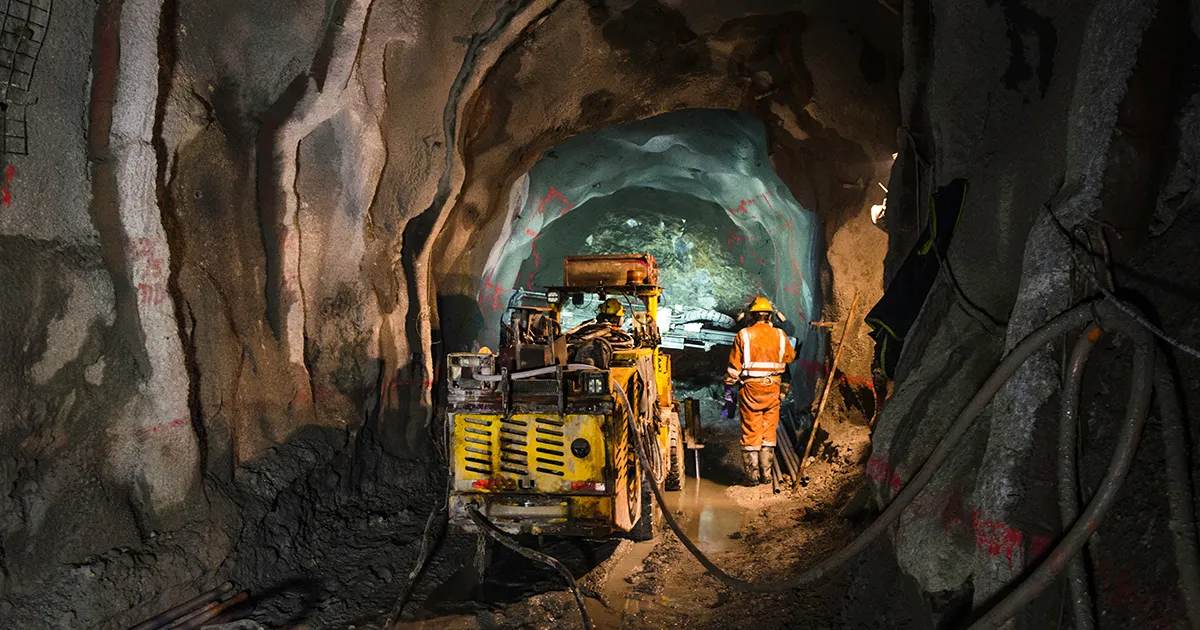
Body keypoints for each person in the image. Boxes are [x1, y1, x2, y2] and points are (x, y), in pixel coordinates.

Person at [722, 297, 796, 485]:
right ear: (770, 316)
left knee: (751, 428)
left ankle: (752, 477)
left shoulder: (744, 335)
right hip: (773, 387)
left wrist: (729, 388)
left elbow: (733, 369)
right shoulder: (780, 335)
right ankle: (767, 475)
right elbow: (790, 357)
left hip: (751, 389)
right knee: (769, 429)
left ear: (752, 315)